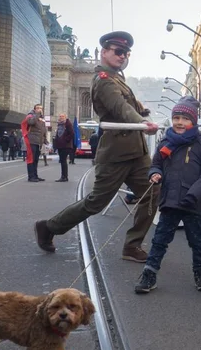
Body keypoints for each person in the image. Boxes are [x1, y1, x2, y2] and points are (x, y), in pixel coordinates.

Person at [34, 31, 160, 263]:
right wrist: (141, 122)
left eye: (126, 53)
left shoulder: (118, 79)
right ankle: (49, 227)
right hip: (116, 153)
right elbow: (119, 107)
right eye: (118, 51)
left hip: (137, 152)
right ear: (104, 52)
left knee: (152, 193)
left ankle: (132, 246)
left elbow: (129, 106)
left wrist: (143, 113)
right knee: (96, 202)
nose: (123, 56)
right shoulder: (103, 80)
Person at [134, 96, 201, 294]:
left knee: (197, 241)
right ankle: (149, 274)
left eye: (184, 118)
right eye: (176, 118)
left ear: (193, 121)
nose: (179, 122)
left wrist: (194, 194)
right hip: (170, 200)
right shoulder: (166, 142)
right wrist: (155, 173)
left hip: (192, 203)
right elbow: (156, 164)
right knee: (160, 239)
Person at [21, 104, 47, 182]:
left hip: (39, 142)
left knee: (36, 159)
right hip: (32, 140)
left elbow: (43, 130)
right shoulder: (30, 116)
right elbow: (31, 122)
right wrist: (37, 114)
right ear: (34, 109)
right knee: (31, 159)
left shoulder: (41, 118)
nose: (40, 110)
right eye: (38, 108)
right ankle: (31, 176)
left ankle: (35, 175)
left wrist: (44, 139)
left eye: (41, 108)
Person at [53, 113, 74, 182]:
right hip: (60, 145)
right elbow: (57, 134)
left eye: (62, 116)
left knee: (63, 160)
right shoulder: (59, 124)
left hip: (66, 145)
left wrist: (65, 140)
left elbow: (72, 133)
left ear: (65, 117)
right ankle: (64, 176)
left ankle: (64, 177)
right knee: (62, 161)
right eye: (60, 116)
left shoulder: (68, 123)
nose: (61, 117)